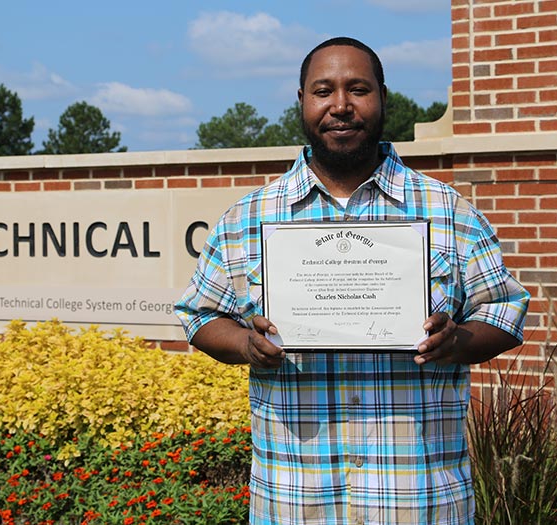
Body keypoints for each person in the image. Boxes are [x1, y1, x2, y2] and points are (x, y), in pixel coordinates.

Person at [175, 37, 529, 525]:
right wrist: (244, 344)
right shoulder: (248, 217)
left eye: (357, 89)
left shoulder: (447, 210)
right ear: (302, 101)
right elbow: (199, 315)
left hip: (419, 498)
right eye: (324, 91)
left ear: (382, 97)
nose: (340, 106)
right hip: (295, 498)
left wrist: (456, 341)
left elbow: (505, 312)